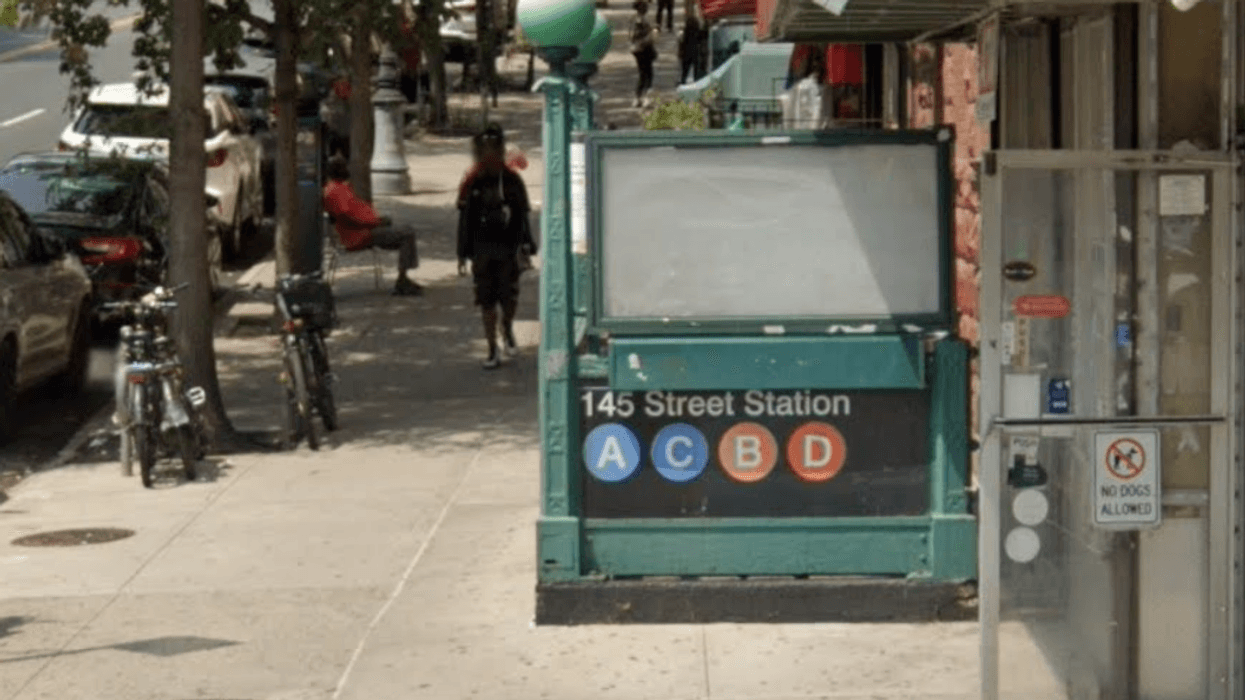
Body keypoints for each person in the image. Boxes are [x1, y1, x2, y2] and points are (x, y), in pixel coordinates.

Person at [457, 124, 536, 369]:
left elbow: (523, 215)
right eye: (484, 149)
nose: (488, 154)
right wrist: (462, 253)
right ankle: (492, 348)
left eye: (493, 148)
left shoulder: (512, 181)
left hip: (508, 249)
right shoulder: (473, 182)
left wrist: (527, 243)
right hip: (482, 251)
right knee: (486, 301)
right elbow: (465, 219)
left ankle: (507, 328)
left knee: (509, 298)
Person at [323, 155, 423, 296]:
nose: (347, 169)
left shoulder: (338, 188)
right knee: (407, 233)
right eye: (344, 167)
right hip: (360, 235)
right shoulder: (335, 191)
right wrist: (374, 223)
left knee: (404, 230)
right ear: (337, 170)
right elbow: (348, 217)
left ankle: (403, 276)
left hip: (365, 229)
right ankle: (402, 280)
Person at [629, 1, 657, 109]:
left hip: (636, 50)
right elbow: (647, 37)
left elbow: (631, 36)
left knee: (642, 73)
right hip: (644, 50)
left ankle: (637, 97)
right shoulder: (643, 21)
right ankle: (646, 98)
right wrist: (653, 33)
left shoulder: (633, 19)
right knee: (648, 74)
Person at [677, 12, 704, 86]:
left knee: (685, 70)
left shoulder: (686, 31)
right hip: (695, 51)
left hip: (686, 52)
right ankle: (696, 82)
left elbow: (682, 41)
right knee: (696, 70)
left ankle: (683, 81)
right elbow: (701, 38)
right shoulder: (698, 31)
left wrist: (680, 51)